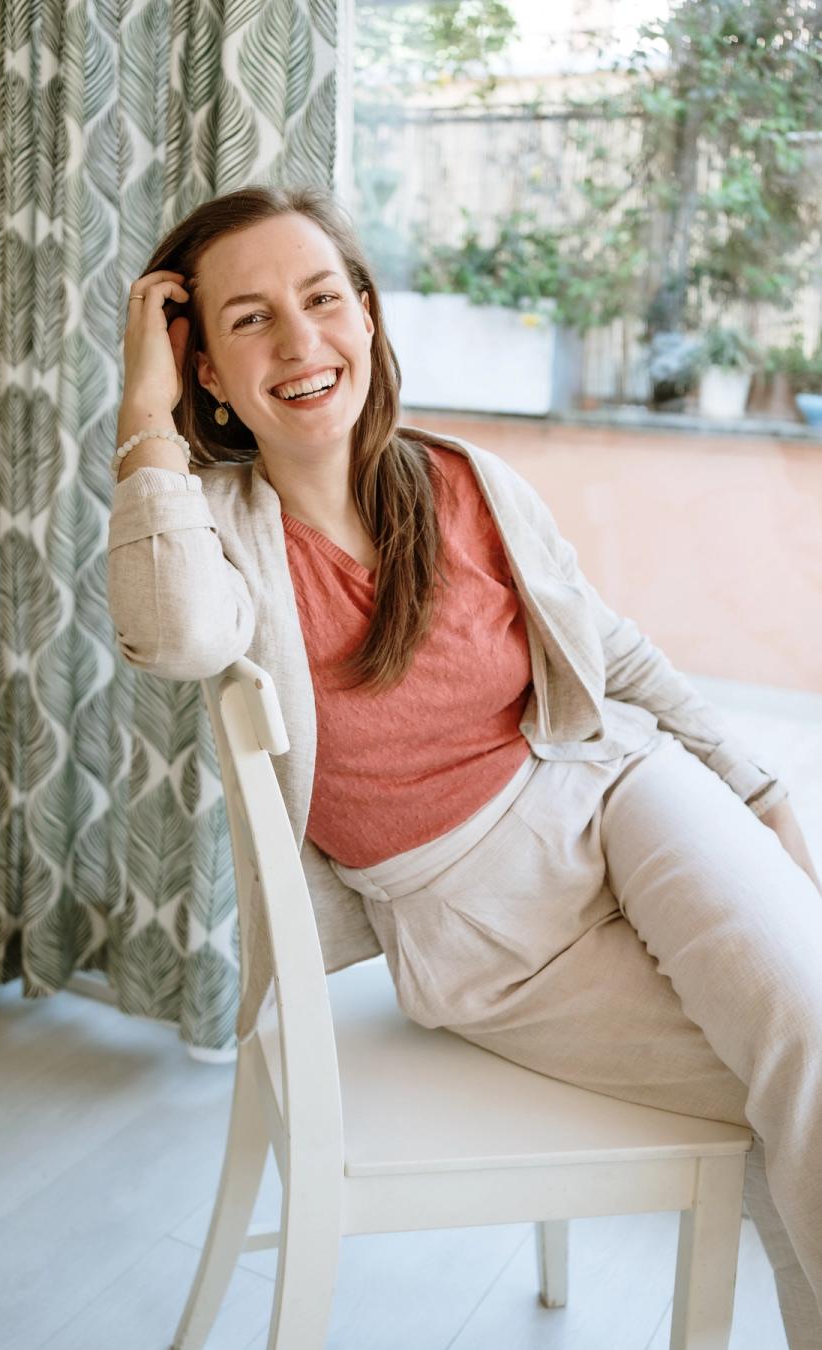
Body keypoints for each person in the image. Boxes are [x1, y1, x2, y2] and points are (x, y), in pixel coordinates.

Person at [107, 184, 822, 1344]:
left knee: (809, 1029)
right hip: (478, 923)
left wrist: (756, 785)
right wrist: (141, 405)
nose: (300, 342)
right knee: (794, 1086)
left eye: (324, 297)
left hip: (619, 789)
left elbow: (612, 651)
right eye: (248, 320)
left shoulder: (466, 480)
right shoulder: (220, 534)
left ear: (370, 318)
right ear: (206, 372)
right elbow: (177, 635)